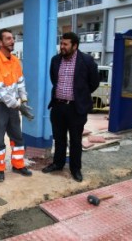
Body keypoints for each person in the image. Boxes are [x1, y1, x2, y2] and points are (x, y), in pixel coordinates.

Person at [42, 32, 100, 182]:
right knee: (59, 138)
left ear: (75, 46)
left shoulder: (86, 61)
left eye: (65, 44)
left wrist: (81, 95)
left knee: (75, 140)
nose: (62, 47)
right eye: (61, 43)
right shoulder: (55, 60)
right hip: (58, 106)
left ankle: (75, 169)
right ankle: (58, 163)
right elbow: (54, 79)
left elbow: (94, 83)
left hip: (76, 108)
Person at [0, 28, 34, 182]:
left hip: (13, 106)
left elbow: (20, 84)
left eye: (13, 38)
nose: (12, 41)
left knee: (17, 136)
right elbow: (1, 92)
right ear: (0, 42)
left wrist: (24, 101)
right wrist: (19, 106)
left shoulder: (16, 62)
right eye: (8, 39)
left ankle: (18, 165)